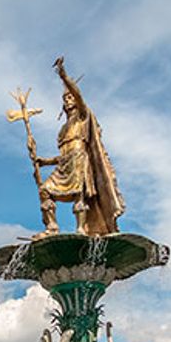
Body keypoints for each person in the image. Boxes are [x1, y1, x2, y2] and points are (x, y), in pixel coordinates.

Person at [34, 57, 124, 236]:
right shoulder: (63, 129)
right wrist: (45, 161)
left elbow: (78, 95)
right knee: (44, 190)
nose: (67, 101)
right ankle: (52, 227)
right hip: (64, 164)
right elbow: (64, 154)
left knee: (78, 194)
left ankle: (82, 228)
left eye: (69, 98)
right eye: (65, 98)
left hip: (79, 161)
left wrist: (64, 77)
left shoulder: (83, 117)